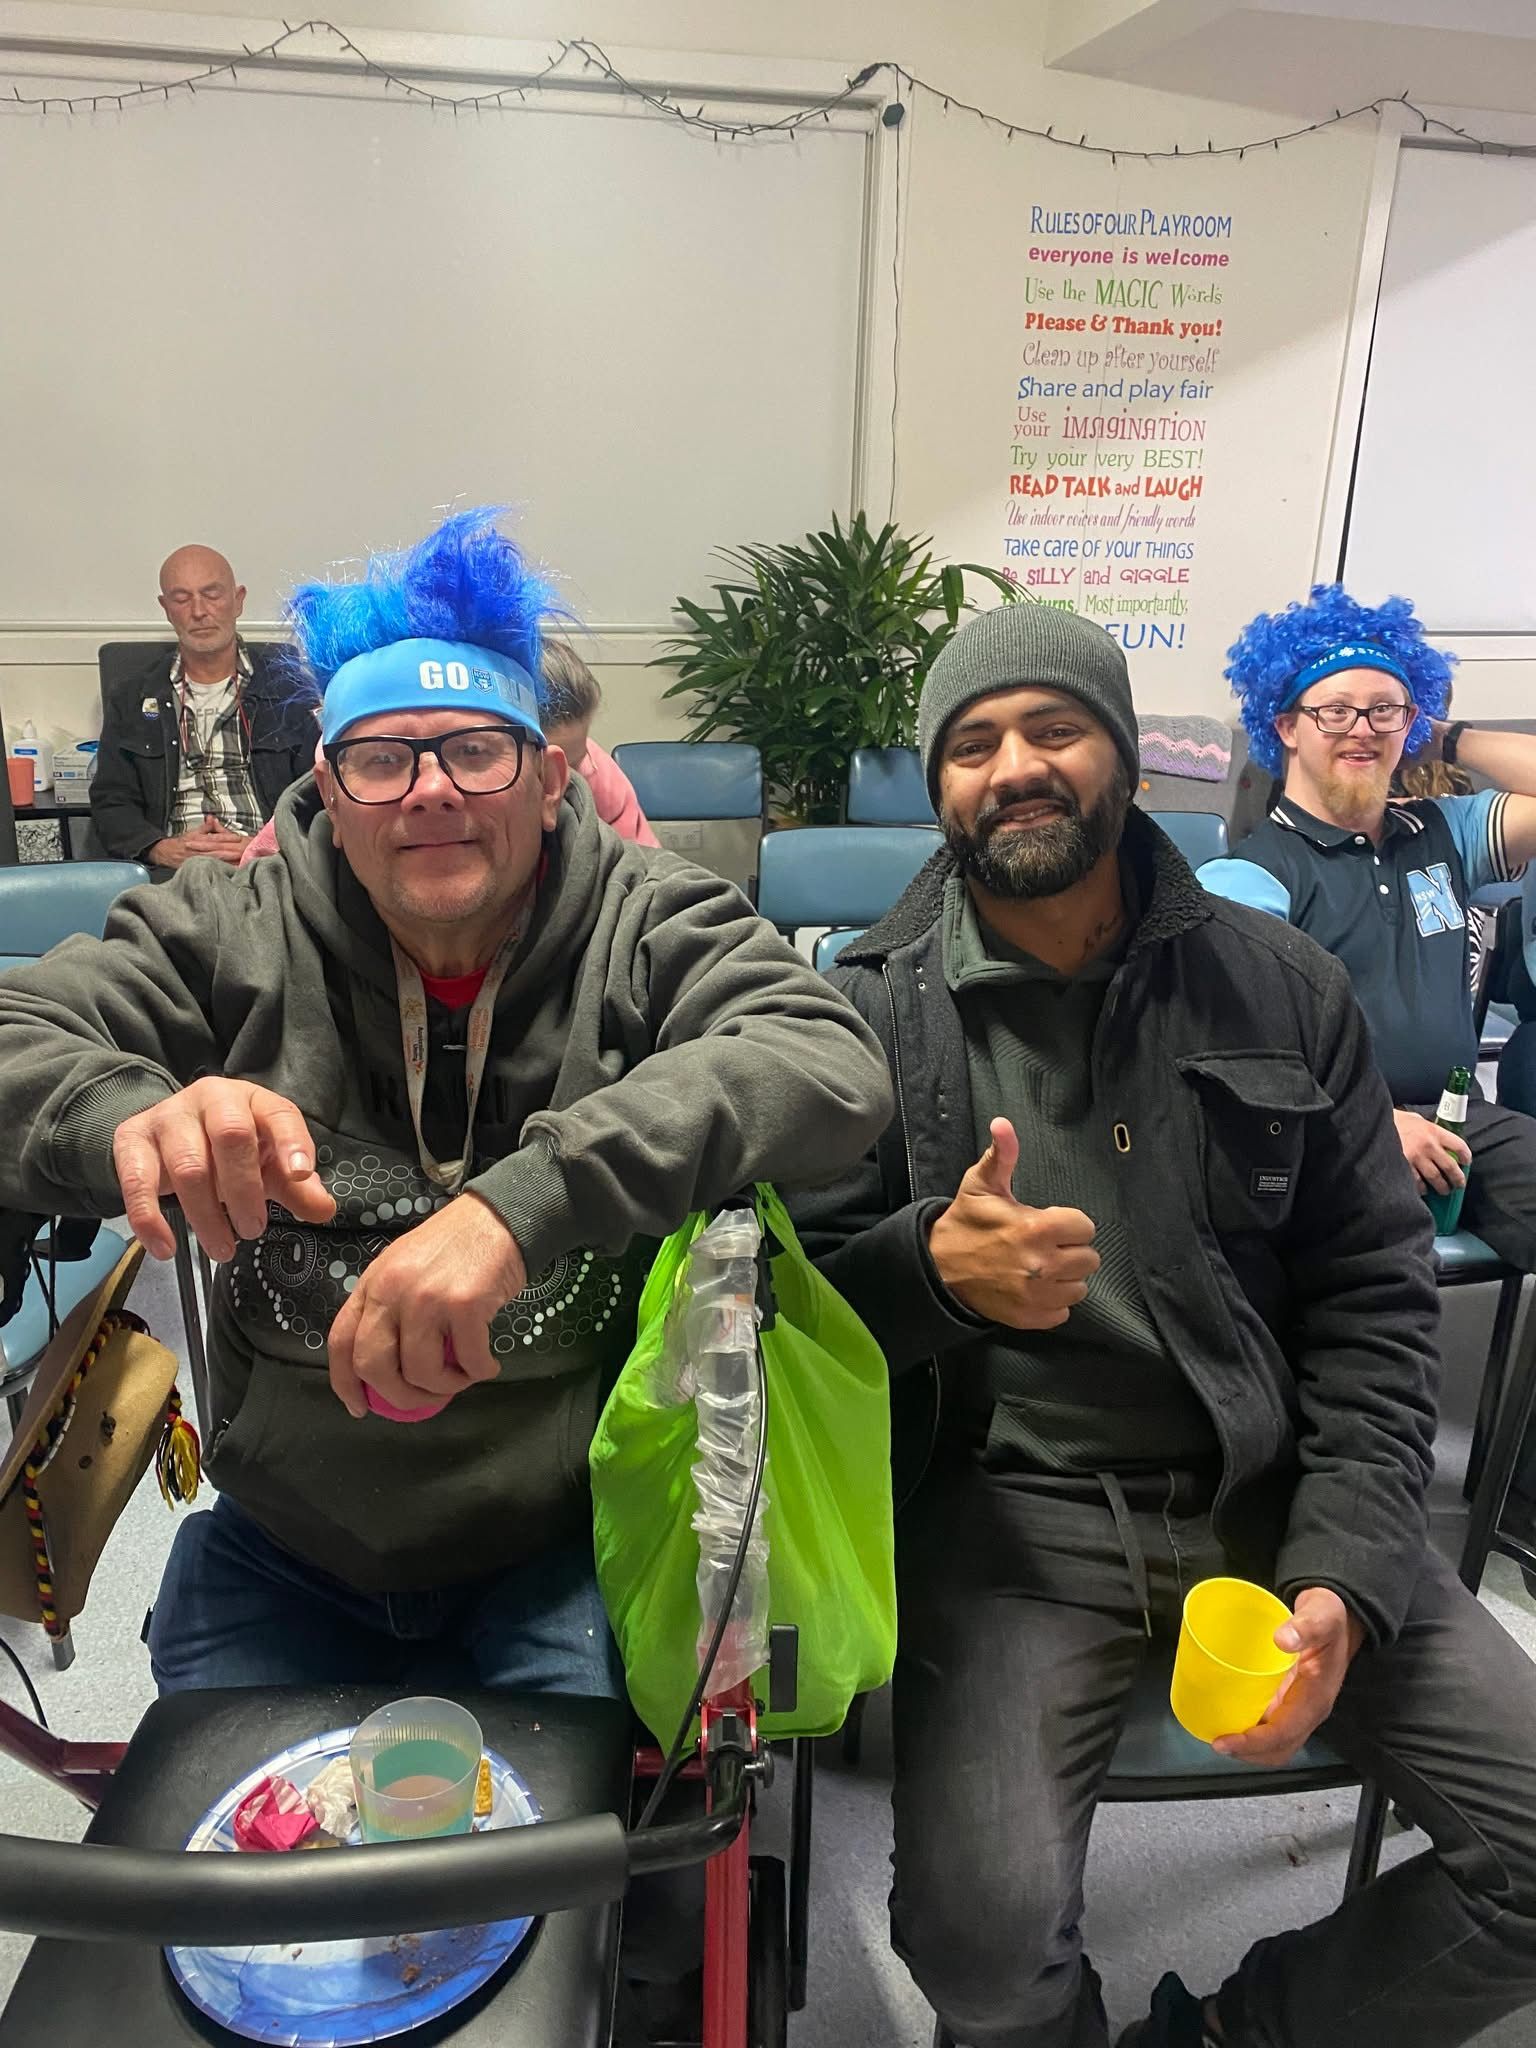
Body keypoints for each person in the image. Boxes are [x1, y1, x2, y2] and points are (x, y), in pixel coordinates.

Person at [791, 600, 1536, 2048]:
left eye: (1053, 728)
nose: (1013, 764)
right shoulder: (867, 1013)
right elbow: (793, 1316)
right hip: (1014, 1525)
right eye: (972, 742)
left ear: (1124, 757)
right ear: (939, 785)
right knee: (977, 1950)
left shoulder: (1280, 985)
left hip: (1272, 1495)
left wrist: (1344, 1572)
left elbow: (1377, 1302)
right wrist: (932, 1272)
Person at [0, 507, 891, 1699]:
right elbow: (19, 1032)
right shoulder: (233, 924)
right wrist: (123, 1113)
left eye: (476, 749)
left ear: (552, 777)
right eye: (383, 758)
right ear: (326, 785)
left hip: (555, 1539)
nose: (430, 792)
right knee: (229, 1865)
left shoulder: (646, 915)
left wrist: (519, 1205)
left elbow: (824, 1055)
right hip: (286, 1539)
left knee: (548, 1880)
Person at [1202, 585, 1536, 1548]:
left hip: (1461, 1116)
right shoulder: (1255, 872)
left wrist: (1453, 733)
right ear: (1286, 727)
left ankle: (1521, 1494)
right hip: (1331, 1133)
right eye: (1333, 710)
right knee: (1368, 1298)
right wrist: (1371, 1122)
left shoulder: (1445, 839)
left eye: (1385, 708)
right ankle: (1332, 1507)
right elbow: (1241, 1054)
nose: (1361, 728)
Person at [237, 636, 658, 865]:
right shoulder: (333, 794)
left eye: (576, 760)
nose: (432, 791)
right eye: (472, 752)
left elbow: (644, 875)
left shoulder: (593, 772)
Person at [90, 545, 319, 873]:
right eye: (182, 598)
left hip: (267, 863)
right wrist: (158, 848)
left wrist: (267, 844)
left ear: (238, 600)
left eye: (212, 594)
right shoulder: (132, 698)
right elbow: (111, 800)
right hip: (174, 870)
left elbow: (319, 793)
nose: (199, 611)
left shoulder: (289, 690)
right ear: (166, 608)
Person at [542, 638, 659, 847]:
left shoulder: (599, 777)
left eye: (574, 764)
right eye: (546, 770)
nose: (563, 781)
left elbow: (644, 861)